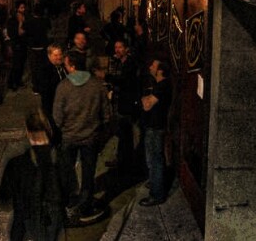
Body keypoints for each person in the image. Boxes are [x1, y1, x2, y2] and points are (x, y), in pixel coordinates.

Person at [52, 50, 111, 220]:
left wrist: (64, 129)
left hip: (69, 137)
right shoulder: (97, 85)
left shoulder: (63, 87)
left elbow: (57, 117)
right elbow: (106, 114)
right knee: (88, 173)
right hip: (90, 137)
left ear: (71, 65)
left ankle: (68, 202)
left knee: (67, 172)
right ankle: (85, 206)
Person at [0, 109, 66, 241]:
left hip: (24, 221)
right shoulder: (62, 161)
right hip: (50, 223)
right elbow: (69, 193)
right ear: (49, 131)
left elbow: (3, 199)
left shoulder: (16, 164)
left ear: (28, 133)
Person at [105, 39, 142, 178]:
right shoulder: (121, 62)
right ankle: (121, 160)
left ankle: (125, 164)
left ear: (126, 49)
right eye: (116, 47)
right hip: (122, 103)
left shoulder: (129, 64)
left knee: (125, 133)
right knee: (122, 133)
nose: (117, 50)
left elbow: (124, 80)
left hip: (127, 105)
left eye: (120, 47)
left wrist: (107, 77)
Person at [140, 58, 172, 206]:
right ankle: (155, 183)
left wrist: (143, 97)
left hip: (155, 128)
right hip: (155, 126)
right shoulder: (160, 85)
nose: (150, 67)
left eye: (153, 65)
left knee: (154, 160)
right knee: (154, 159)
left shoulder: (162, 86)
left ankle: (156, 194)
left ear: (160, 71)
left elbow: (147, 105)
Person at [24, 4, 52, 95]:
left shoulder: (29, 21)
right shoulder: (45, 20)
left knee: (34, 68)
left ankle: (36, 87)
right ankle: (43, 85)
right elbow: (49, 31)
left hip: (32, 47)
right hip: (43, 46)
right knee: (43, 67)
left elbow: (23, 31)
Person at [39, 44, 67, 119]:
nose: (59, 57)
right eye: (56, 55)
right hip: (53, 105)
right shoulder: (45, 71)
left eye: (60, 54)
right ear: (49, 56)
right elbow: (46, 91)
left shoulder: (64, 66)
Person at [6, 0, 28, 91]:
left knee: (21, 64)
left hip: (23, 44)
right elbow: (17, 33)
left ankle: (18, 80)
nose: (23, 10)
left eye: (24, 7)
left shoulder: (25, 17)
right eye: (21, 8)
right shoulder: (13, 20)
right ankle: (12, 82)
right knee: (16, 64)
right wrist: (20, 23)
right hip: (16, 44)